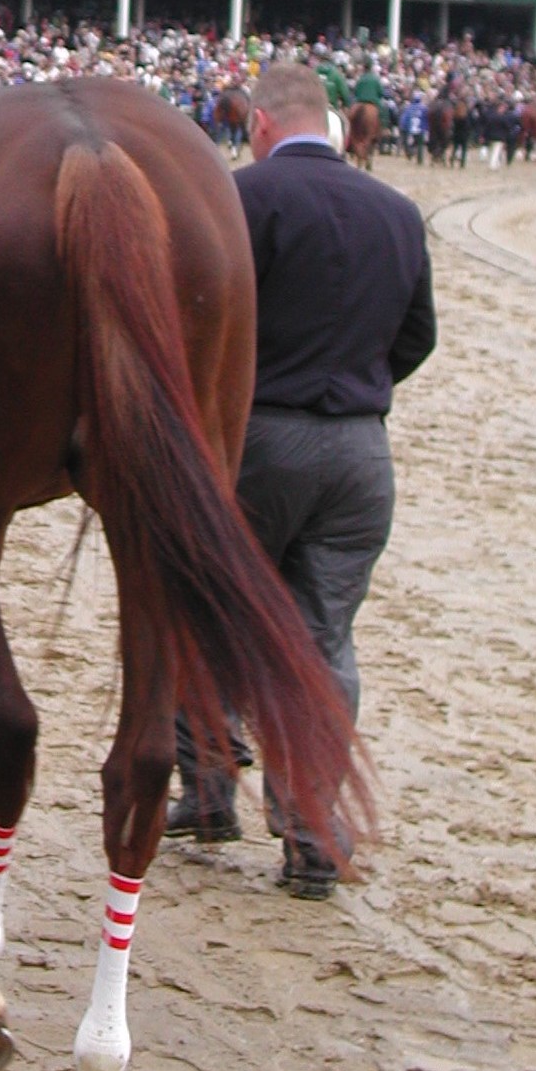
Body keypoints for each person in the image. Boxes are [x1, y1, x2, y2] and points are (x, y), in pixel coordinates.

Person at [166, 64, 436, 897]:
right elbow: (416, 337)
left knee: (206, 605)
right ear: (328, 121)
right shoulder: (395, 211)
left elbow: (194, 318)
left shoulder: (242, 198)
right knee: (325, 637)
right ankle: (312, 827)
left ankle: (209, 789)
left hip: (258, 434)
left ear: (258, 125)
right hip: (361, 450)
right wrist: (354, 381)